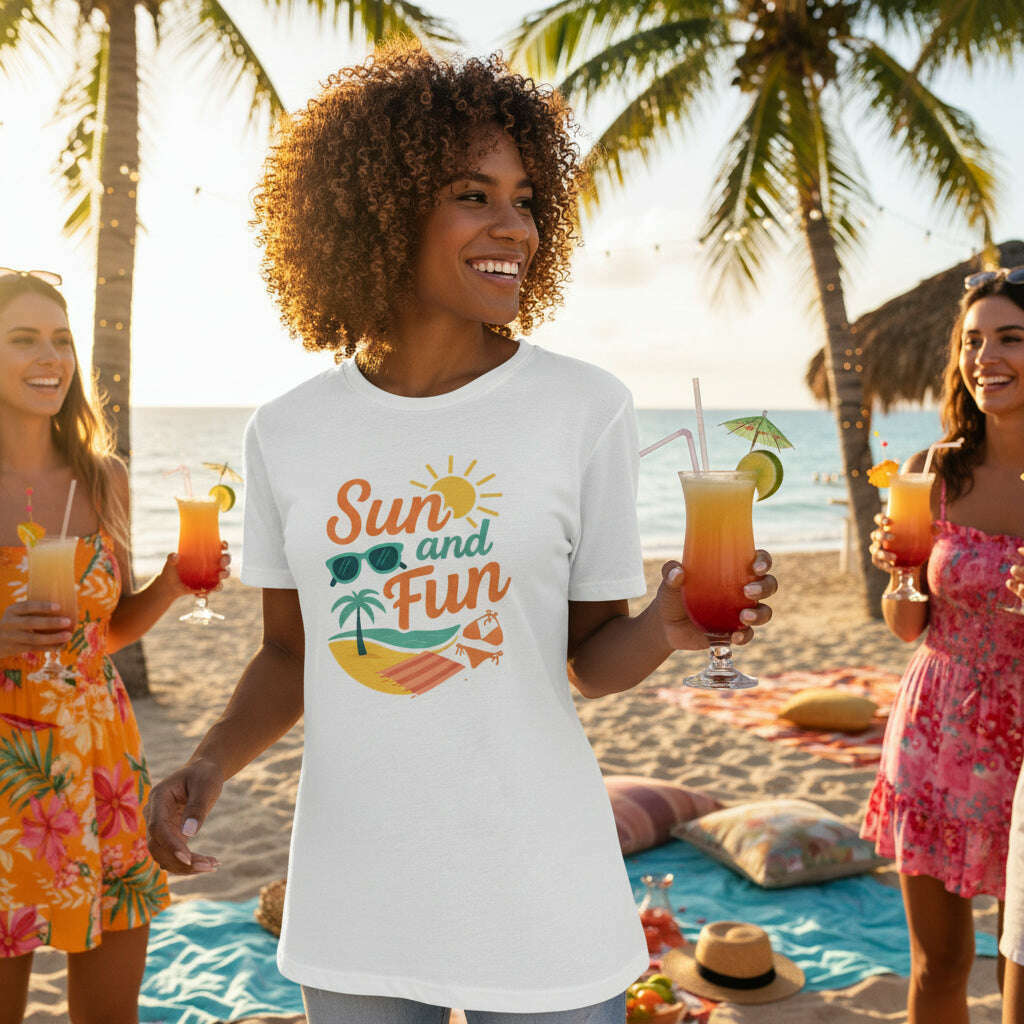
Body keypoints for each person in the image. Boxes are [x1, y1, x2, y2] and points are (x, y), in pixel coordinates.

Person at [144, 43, 778, 1024]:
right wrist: (210, 760)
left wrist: (663, 625)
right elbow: (291, 653)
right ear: (379, 211)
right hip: (356, 889)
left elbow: (586, 661)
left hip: (539, 885)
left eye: (525, 199)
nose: (514, 227)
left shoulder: (584, 408)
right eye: (473, 195)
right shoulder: (288, 431)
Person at [0, 269, 229, 1024]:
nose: (51, 358)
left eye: (61, 340)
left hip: (102, 761)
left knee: (109, 1012)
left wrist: (170, 585)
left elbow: (108, 631)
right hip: (7, 773)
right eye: (24, 339)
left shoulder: (104, 479)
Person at [862, 265, 1024, 1024]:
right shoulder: (931, 471)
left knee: (1021, 965)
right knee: (941, 965)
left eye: (1011, 338)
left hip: (1023, 753)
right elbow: (908, 626)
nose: (986, 357)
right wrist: (899, 572)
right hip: (937, 732)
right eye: (973, 341)